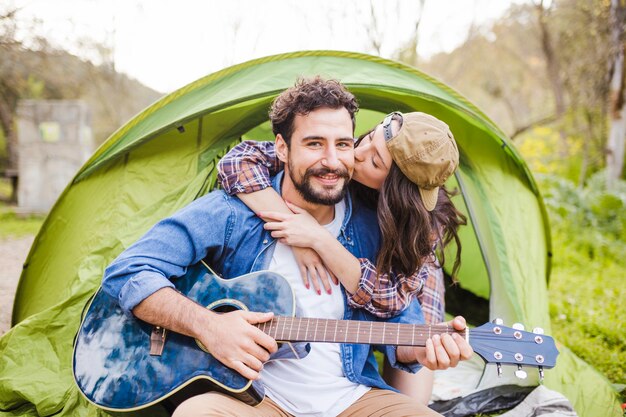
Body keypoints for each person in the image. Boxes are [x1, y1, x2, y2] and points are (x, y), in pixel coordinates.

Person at [102, 76, 472, 417]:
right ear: (281, 146)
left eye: (343, 144)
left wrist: (424, 349)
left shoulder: (379, 226)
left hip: (353, 398)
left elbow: (400, 323)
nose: (333, 160)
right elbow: (127, 272)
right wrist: (209, 326)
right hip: (258, 399)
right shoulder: (234, 212)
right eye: (314, 144)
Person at [217, 110, 466, 403]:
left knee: (419, 345)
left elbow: (390, 299)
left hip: (405, 280)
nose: (359, 153)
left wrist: (321, 241)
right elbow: (238, 161)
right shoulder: (336, 160)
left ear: (395, 188)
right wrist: (295, 231)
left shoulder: (419, 232)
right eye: (369, 138)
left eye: (375, 161)